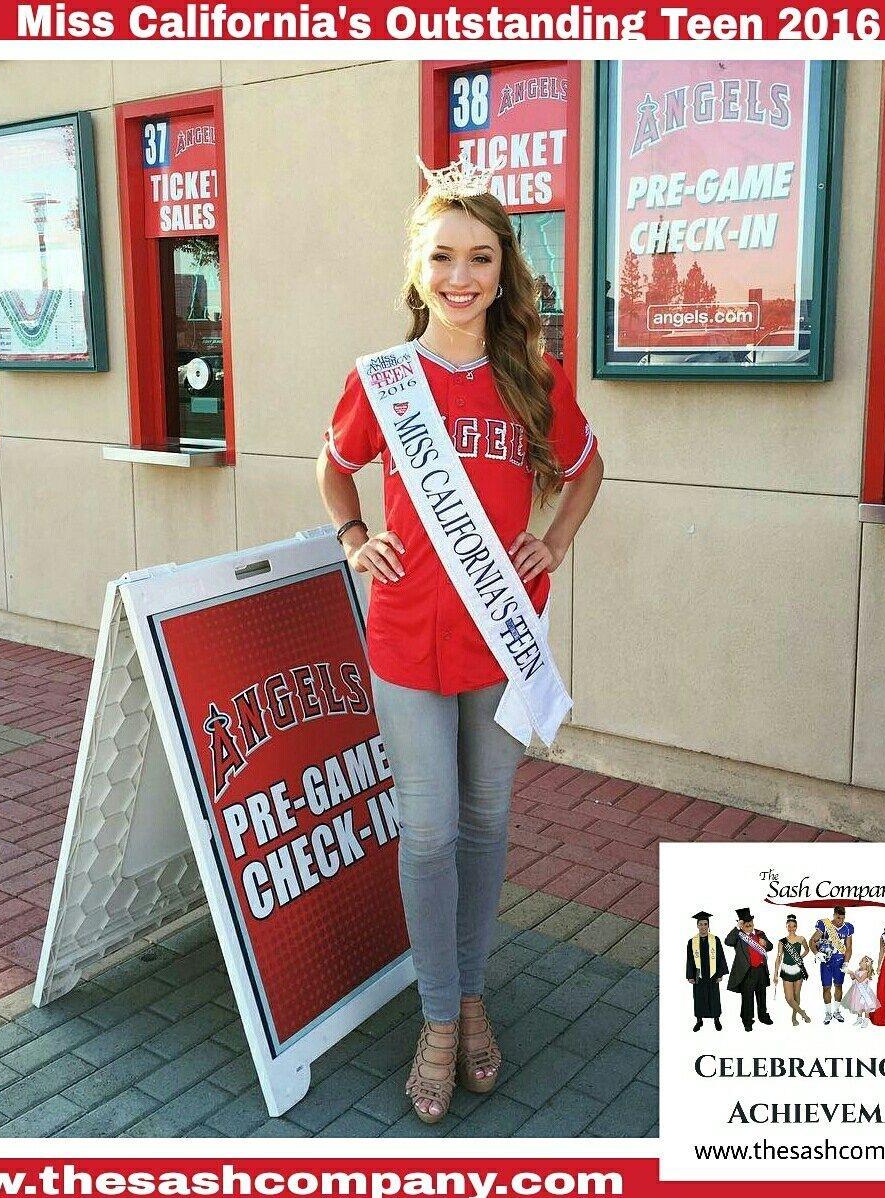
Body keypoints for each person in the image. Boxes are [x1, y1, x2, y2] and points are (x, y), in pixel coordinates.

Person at [316, 157, 603, 1123]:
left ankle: (471, 1000)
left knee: (485, 824)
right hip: (405, 636)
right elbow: (334, 465)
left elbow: (588, 466)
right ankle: (438, 1019)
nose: (461, 276)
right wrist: (355, 537)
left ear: (503, 269)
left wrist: (554, 536)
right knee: (430, 828)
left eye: (480, 257)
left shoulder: (534, 379)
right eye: (443, 256)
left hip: (501, 634)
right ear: (417, 268)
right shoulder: (382, 379)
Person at [725, 908, 773, 1031]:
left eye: (749, 921)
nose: (748, 923)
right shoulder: (738, 935)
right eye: (744, 922)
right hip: (747, 971)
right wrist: (736, 928)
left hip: (761, 970)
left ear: (753, 921)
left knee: (762, 995)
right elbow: (728, 941)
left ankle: (763, 1016)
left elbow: (771, 946)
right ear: (741, 924)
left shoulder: (760, 933)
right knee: (747, 997)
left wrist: (765, 943)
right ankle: (747, 1020)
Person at [809, 904, 854, 1024]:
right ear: (834, 915)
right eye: (838, 918)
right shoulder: (825, 924)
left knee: (839, 986)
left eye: (843, 918)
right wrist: (816, 953)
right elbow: (812, 940)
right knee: (826, 987)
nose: (841, 921)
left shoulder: (848, 928)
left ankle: (837, 1011)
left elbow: (849, 947)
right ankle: (828, 1013)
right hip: (826, 961)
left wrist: (846, 962)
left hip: (840, 961)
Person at [686, 911, 728, 1032]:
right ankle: (699, 1021)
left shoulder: (715, 940)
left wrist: (720, 974)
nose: (703, 927)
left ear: (708, 925)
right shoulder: (692, 941)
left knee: (714, 996)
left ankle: (716, 1019)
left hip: (713, 972)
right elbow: (689, 959)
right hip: (698, 974)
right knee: (699, 997)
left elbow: (720, 957)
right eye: (701, 924)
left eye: (705, 924)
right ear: (697, 925)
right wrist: (690, 975)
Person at [772, 913, 811, 1026]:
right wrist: (775, 974)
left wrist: (800, 957)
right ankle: (802, 1013)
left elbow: (807, 950)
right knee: (789, 998)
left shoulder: (801, 938)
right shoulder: (782, 941)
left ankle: (794, 1017)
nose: (791, 928)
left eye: (793, 926)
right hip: (786, 969)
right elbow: (778, 957)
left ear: (796, 927)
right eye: (789, 926)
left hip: (798, 969)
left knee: (796, 995)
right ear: (786, 927)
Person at [843, 956, 880, 1027]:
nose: (861, 961)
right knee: (858, 1005)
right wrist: (850, 973)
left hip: (864, 992)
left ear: (867, 964)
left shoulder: (866, 972)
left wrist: (853, 973)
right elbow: (853, 978)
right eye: (861, 960)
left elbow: (860, 980)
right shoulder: (858, 970)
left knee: (866, 1006)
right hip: (856, 991)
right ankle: (859, 1019)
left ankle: (866, 1020)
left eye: (863, 960)